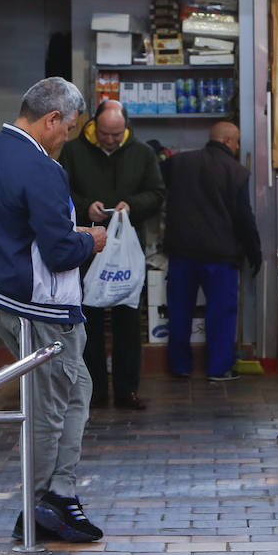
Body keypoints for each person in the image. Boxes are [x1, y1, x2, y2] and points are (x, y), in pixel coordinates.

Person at [0, 77, 107, 544]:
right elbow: (61, 251)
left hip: (0, 298)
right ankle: (40, 504)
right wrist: (90, 239)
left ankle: (57, 493)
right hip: (40, 306)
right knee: (51, 405)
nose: (67, 137)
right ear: (51, 120)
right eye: (68, 127)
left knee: (76, 388)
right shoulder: (41, 167)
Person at [60, 99, 165, 411]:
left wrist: (131, 205)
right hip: (86, 247)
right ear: (94, 126)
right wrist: (85, 206)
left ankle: (127, 390)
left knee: (128, 322)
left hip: (126, 251)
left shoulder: (142, 153)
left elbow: (157, 194)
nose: (110, 140)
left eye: (116, 135)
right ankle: (93, 391)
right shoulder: (73, 151)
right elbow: (60, 192)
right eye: (105, 134)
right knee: (88, 322)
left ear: (126, 129)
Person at [162, 121, 262, 382]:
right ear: (229, 141)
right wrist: (254, 251)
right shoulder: (236, 171)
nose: (238, 146)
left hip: (181, 252)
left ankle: (179, 366)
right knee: (221, 314)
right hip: (220, 256)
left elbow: (158, 186)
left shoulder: (178, 163)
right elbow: (244, 217)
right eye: (237, 141)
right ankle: (218, 368)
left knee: (179, 311)